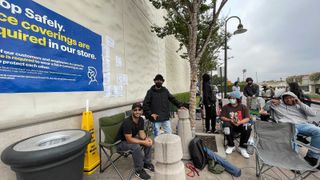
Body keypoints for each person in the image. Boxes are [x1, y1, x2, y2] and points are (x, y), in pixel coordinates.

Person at [262, 91, 319, 169]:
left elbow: (313, 114)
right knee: (292, 131)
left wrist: (300, 103)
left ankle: (312, 157)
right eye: (286, 98)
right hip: (288, 125)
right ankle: (293, 159)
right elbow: (265, 108)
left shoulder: (299, 106)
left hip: (303, 124)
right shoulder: (278, 104)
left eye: (290, 97)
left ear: (295, 97)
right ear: (283, 99)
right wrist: (271, 101)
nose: (288, 100)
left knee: (318, 131)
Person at [116, 102, 154, 180]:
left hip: (130, 139)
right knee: (136, 146)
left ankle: (146, 163)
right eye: (135, 110)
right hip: (120, 143)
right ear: (132, 111)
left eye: (139, 110)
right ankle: (139, 170)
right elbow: (129, 139)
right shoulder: (127, 122)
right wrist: (143, 142)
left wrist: (146, 139)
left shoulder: (141, 120)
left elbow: (141, 132)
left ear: (141, 111)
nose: (137, 111)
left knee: (148, 143)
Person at [221, 91, 252, 158]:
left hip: (240, 125)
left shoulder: (243, 107)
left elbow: (247, 118)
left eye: (233, 98)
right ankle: (231, 145)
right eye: (230, 98)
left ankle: (242, 147)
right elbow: (222, 117)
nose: (231, 99)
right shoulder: (225, 107)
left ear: (238, 99)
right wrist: (230, 120)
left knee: (248, 127)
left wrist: (240, 122)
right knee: (226, 126)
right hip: (230, 124)